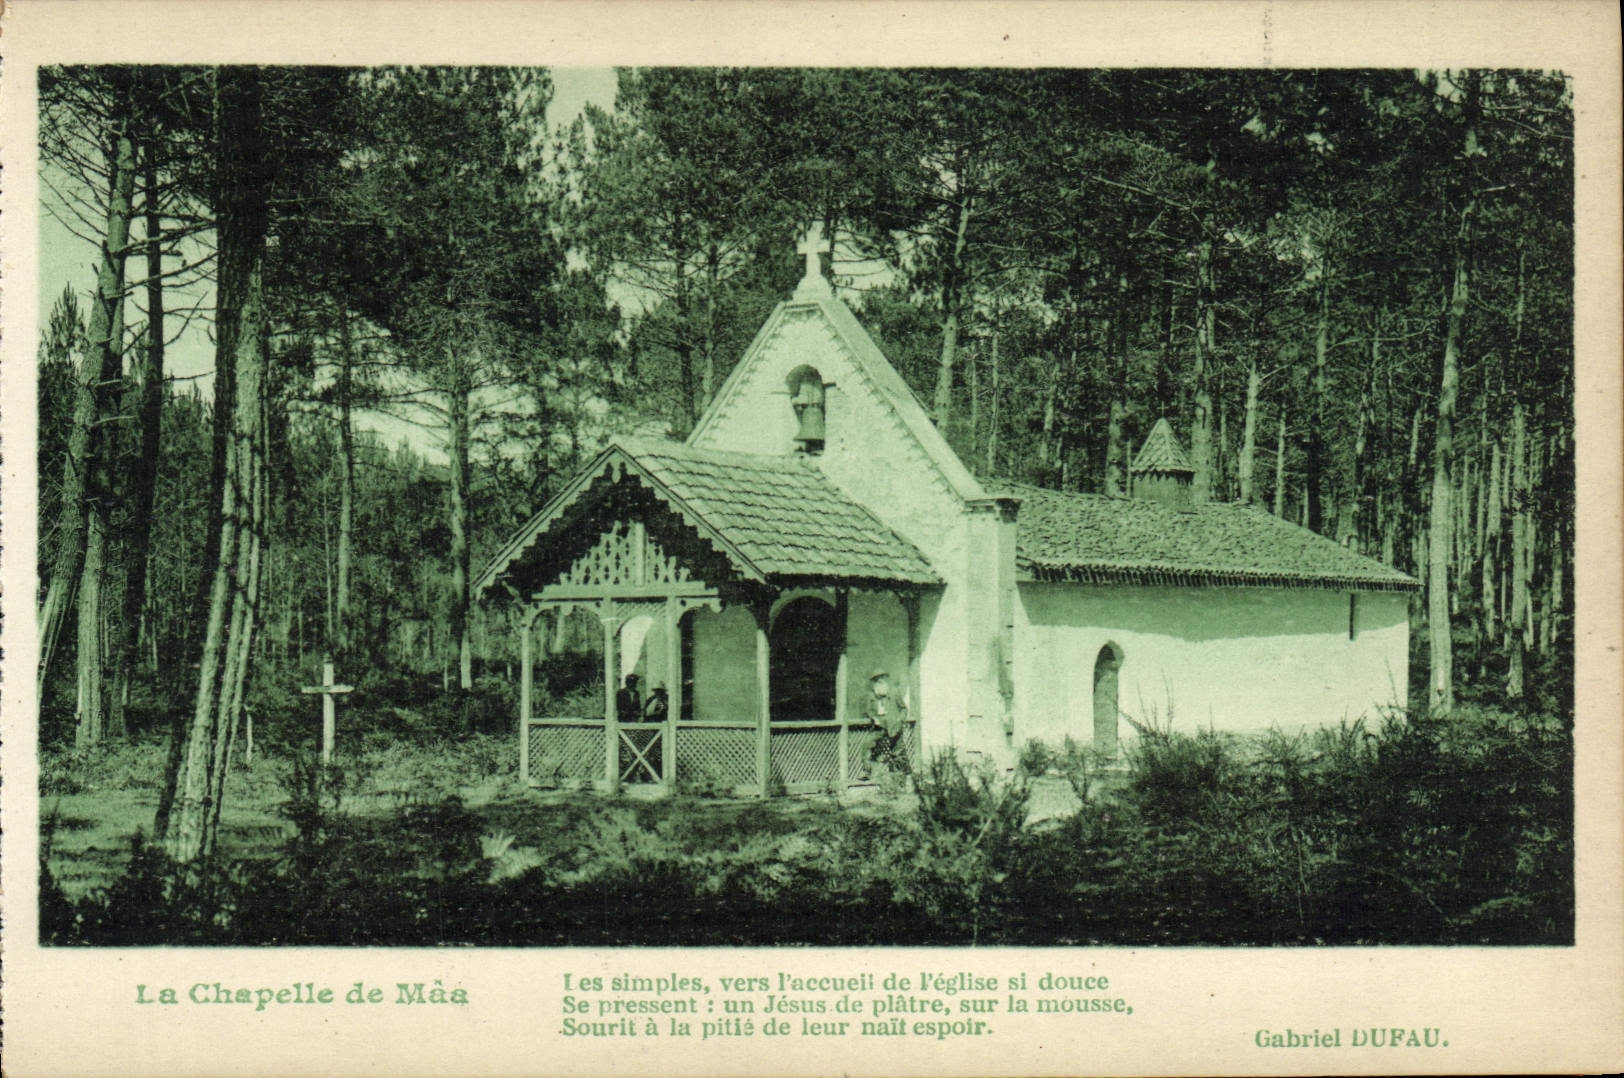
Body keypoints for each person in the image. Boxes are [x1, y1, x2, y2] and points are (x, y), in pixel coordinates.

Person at [863, 670, 907, 779]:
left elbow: (904, 709)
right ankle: (867, 772)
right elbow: (868, 710)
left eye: (882, 679)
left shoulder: (894, 692)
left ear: (886, 681)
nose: (879, 682)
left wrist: (899, 720)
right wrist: (874, 718)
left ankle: (902, 776)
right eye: (876, 681)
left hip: (893, 725)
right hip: (879, 726)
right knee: (867, 745)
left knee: (898, 750)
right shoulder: (871, 696)